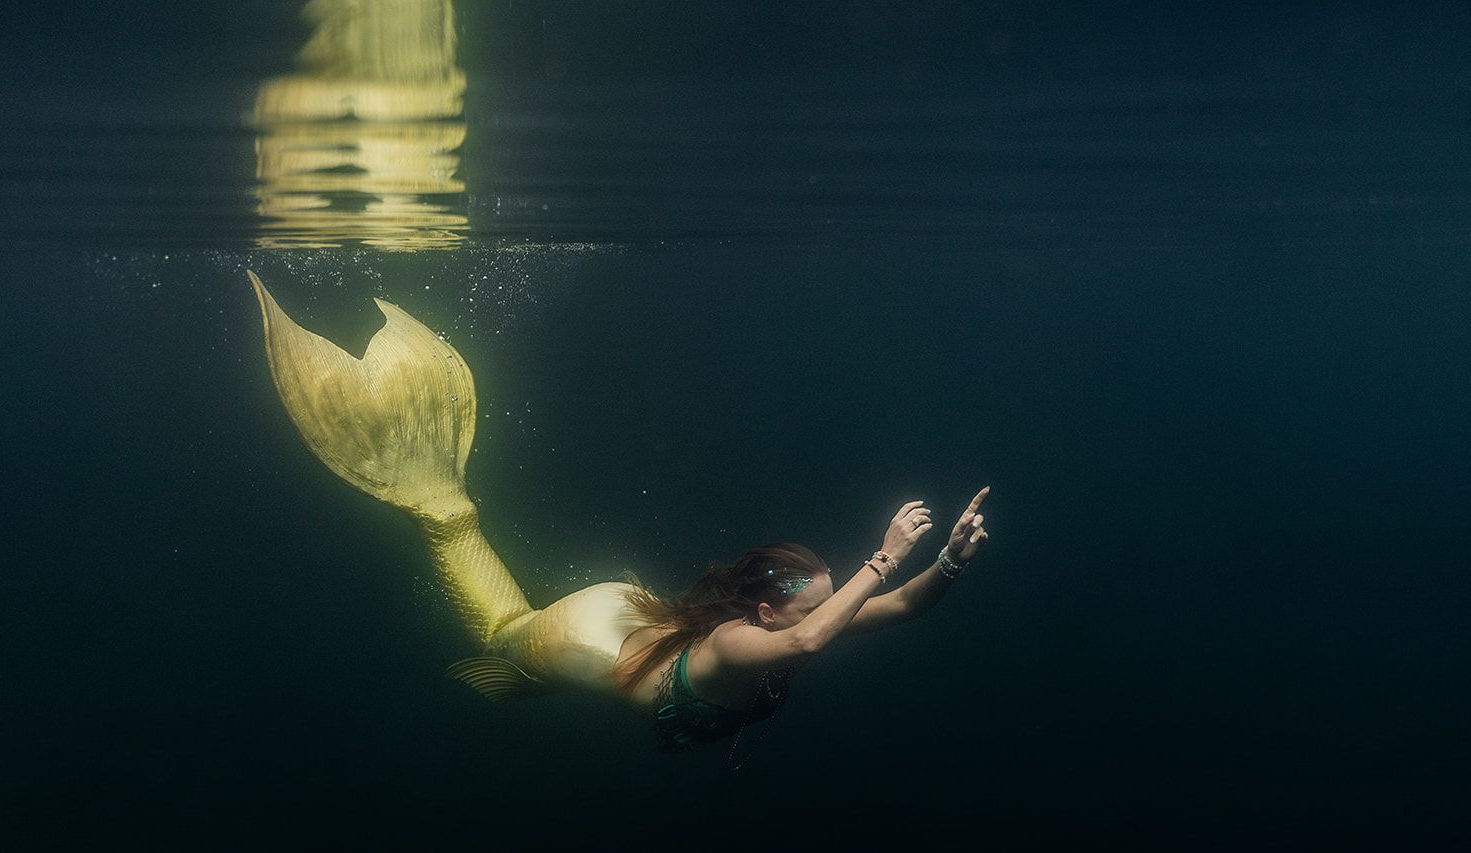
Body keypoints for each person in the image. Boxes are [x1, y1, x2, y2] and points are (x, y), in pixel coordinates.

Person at [248, 272, 991, 760]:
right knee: (500, 634)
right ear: (765, 612)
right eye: (813, 604)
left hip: (632, 625)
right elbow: (817, 634)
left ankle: (496, 616)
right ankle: (434, 501)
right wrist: (884, 552)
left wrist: (950, 560)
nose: (832, 614)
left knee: (516, 669)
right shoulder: (740, 645)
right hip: (591, 640)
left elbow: (895, 607)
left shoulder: (774, 627)